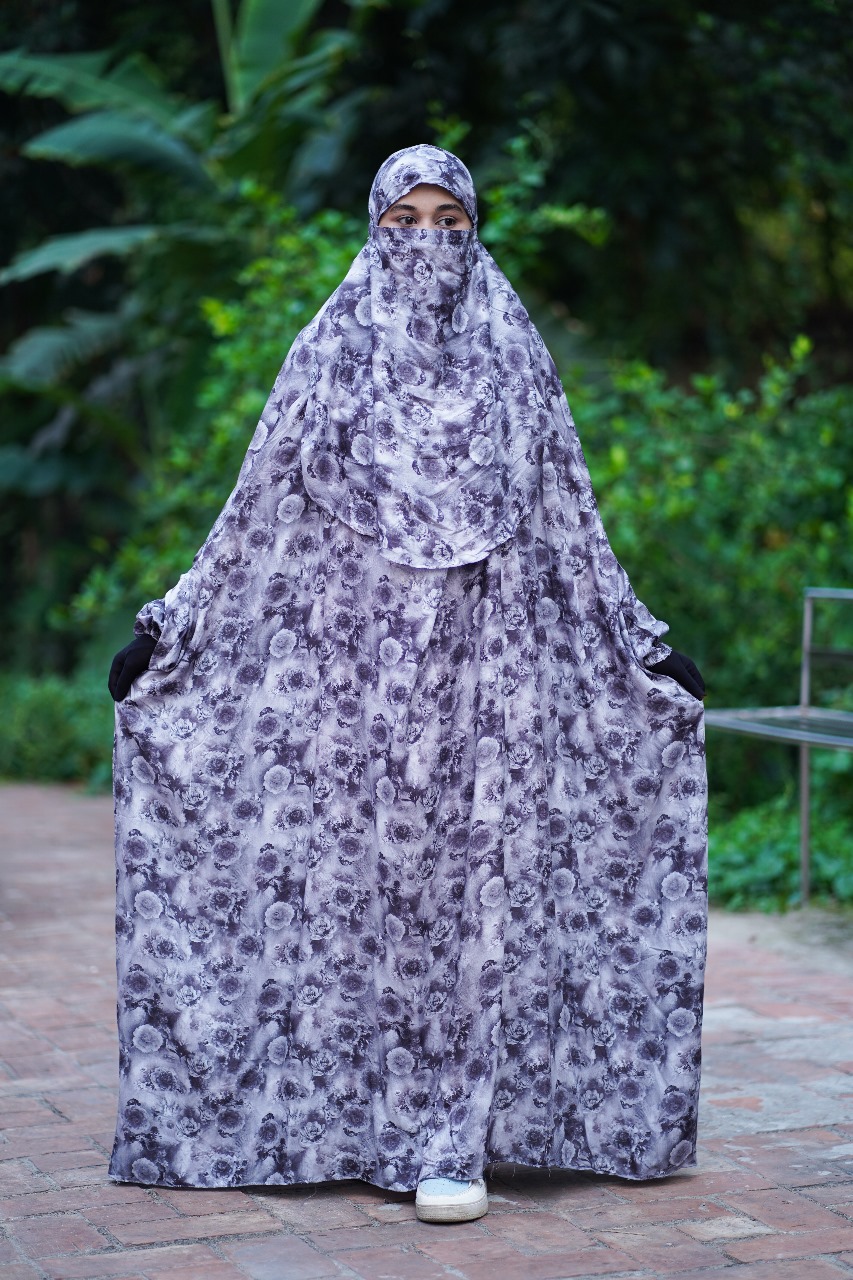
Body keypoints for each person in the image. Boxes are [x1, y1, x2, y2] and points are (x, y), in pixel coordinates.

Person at [107, 144, 707, 1226]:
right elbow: (253, 503)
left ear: (473, 234)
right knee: (351, 896)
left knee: (477, 898)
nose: (426, 242)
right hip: (351, 684)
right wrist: (177, 625)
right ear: (373, 231)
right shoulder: (331, 351)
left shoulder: (511, 357)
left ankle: (455, 1136)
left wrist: (637, 641)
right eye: (403, 223)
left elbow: (570, 511)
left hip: (491, 682)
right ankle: (349, 1124)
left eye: (449, 223)